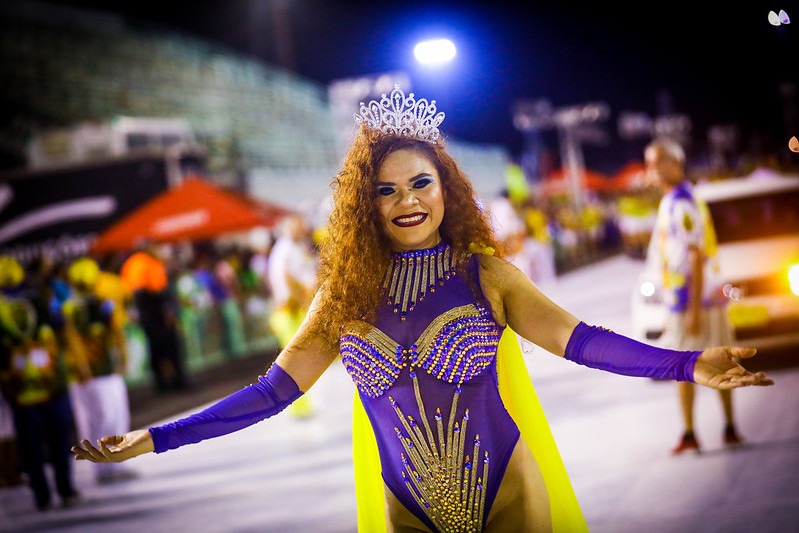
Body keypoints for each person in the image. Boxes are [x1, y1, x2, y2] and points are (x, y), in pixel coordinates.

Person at [73, 86, 773, 532]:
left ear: (446, 188)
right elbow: (269, 393)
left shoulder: (487, 275)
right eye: (386, 190)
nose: (407, 200)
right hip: (403, 510)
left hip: (509, 498)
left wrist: (689, 363)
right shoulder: (342, 297)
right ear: (363, 204)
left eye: (420, 183)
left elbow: (580, 340)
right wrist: (153, 437)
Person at [643, 137, 744, 455]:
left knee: (689, 366)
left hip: (694, 302)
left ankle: (699, 432)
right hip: (690, 300)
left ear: (676, 163)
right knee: (711, 363)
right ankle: (718, 429)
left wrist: (694, 309)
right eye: (650, 163)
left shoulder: (681, 202)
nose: (653, 169)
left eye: (659, 162)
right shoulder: (674, 199)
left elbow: (696, 257)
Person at [0, 255, 81, 511]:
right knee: (59, 439)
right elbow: (63, 328)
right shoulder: (43, 298)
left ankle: (42, 496)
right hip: (51, 382)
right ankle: (65, 489)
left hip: (20, 389)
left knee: (30, 445)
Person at [62, 257, 136, 484]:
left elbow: (68, 342)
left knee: (92, 422)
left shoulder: (67, 307)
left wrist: (79, 366)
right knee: (113, 419)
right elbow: (116, 334)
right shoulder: (101, 304)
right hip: (102, 371)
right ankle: (110, 467)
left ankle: (102, 469)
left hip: (85, 374)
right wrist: (123, 358)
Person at [267, 213, 318, 419]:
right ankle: (296, 406)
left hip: (292, 311)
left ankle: (300, 405)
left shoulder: (292, 248)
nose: (304, 228)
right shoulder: (285, 250)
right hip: (289, 312)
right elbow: (286, 279)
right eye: (300, 225)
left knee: (297, 362)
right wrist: (303, 300)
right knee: (293, 363)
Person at [119, 241, 187, 393]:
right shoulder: (142, 263)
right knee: (163, 349)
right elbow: (149, 290)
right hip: (154, 313)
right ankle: (170, 381)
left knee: (162, 349)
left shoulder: (141, 262)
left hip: (152, 313)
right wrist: (167, 310)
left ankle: (170, 381)